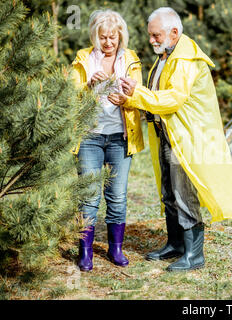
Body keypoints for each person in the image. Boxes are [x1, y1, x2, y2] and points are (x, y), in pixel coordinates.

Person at [108, 7, 232, 271]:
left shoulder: (185, 58)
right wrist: (135, 95)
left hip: (187, 137)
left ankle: (195, 255)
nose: (151, 40)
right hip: (167, 135)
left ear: (174, 32)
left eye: (156, 35)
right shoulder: (166, 56)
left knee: (184, 194)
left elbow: (173, 99)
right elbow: (157, 94)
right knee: (168, 191)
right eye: (150, 35)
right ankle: (176, 244)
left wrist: (136, 95)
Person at [70, 9, 144, 272]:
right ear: (95, 36)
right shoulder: (83, 60)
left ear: (120, 36)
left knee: (117, 196)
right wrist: (89, 87)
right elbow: (70, 96)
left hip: (120, 138)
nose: (108, 43)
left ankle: (115, 249)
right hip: (89, 137)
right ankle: (86, 252)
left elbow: (140, 97)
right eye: (103, 37)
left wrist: (127, 98)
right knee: (89, 196)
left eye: (113, 37)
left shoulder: (130, 60)